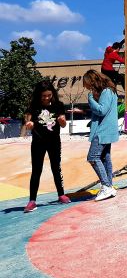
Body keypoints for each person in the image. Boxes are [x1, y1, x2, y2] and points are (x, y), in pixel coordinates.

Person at [22, 80, 70, 213]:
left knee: (56, 168)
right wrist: (29, 124)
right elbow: (28, 122)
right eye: (44, 96)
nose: (46, 98)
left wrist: (62, 121)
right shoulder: (33, 106)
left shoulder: (58, 105)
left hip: (54, 141)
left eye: (49, 95)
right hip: (38, 142)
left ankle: (61, 195)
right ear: (39, 95)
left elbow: (63, 124)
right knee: (36, 170)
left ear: (52, 94)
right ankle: (32, 201)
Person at [83, 69, 120, 201]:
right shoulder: (110, 91)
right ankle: (109, 186)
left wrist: (90, 99)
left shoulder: (106, 92)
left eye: (87, 85)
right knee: (104, 158)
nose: (87, 88)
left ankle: (106, 186)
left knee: (92, 157)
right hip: (107, 130)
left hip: (103, 131)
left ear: (92, 81)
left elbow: (101, 110)